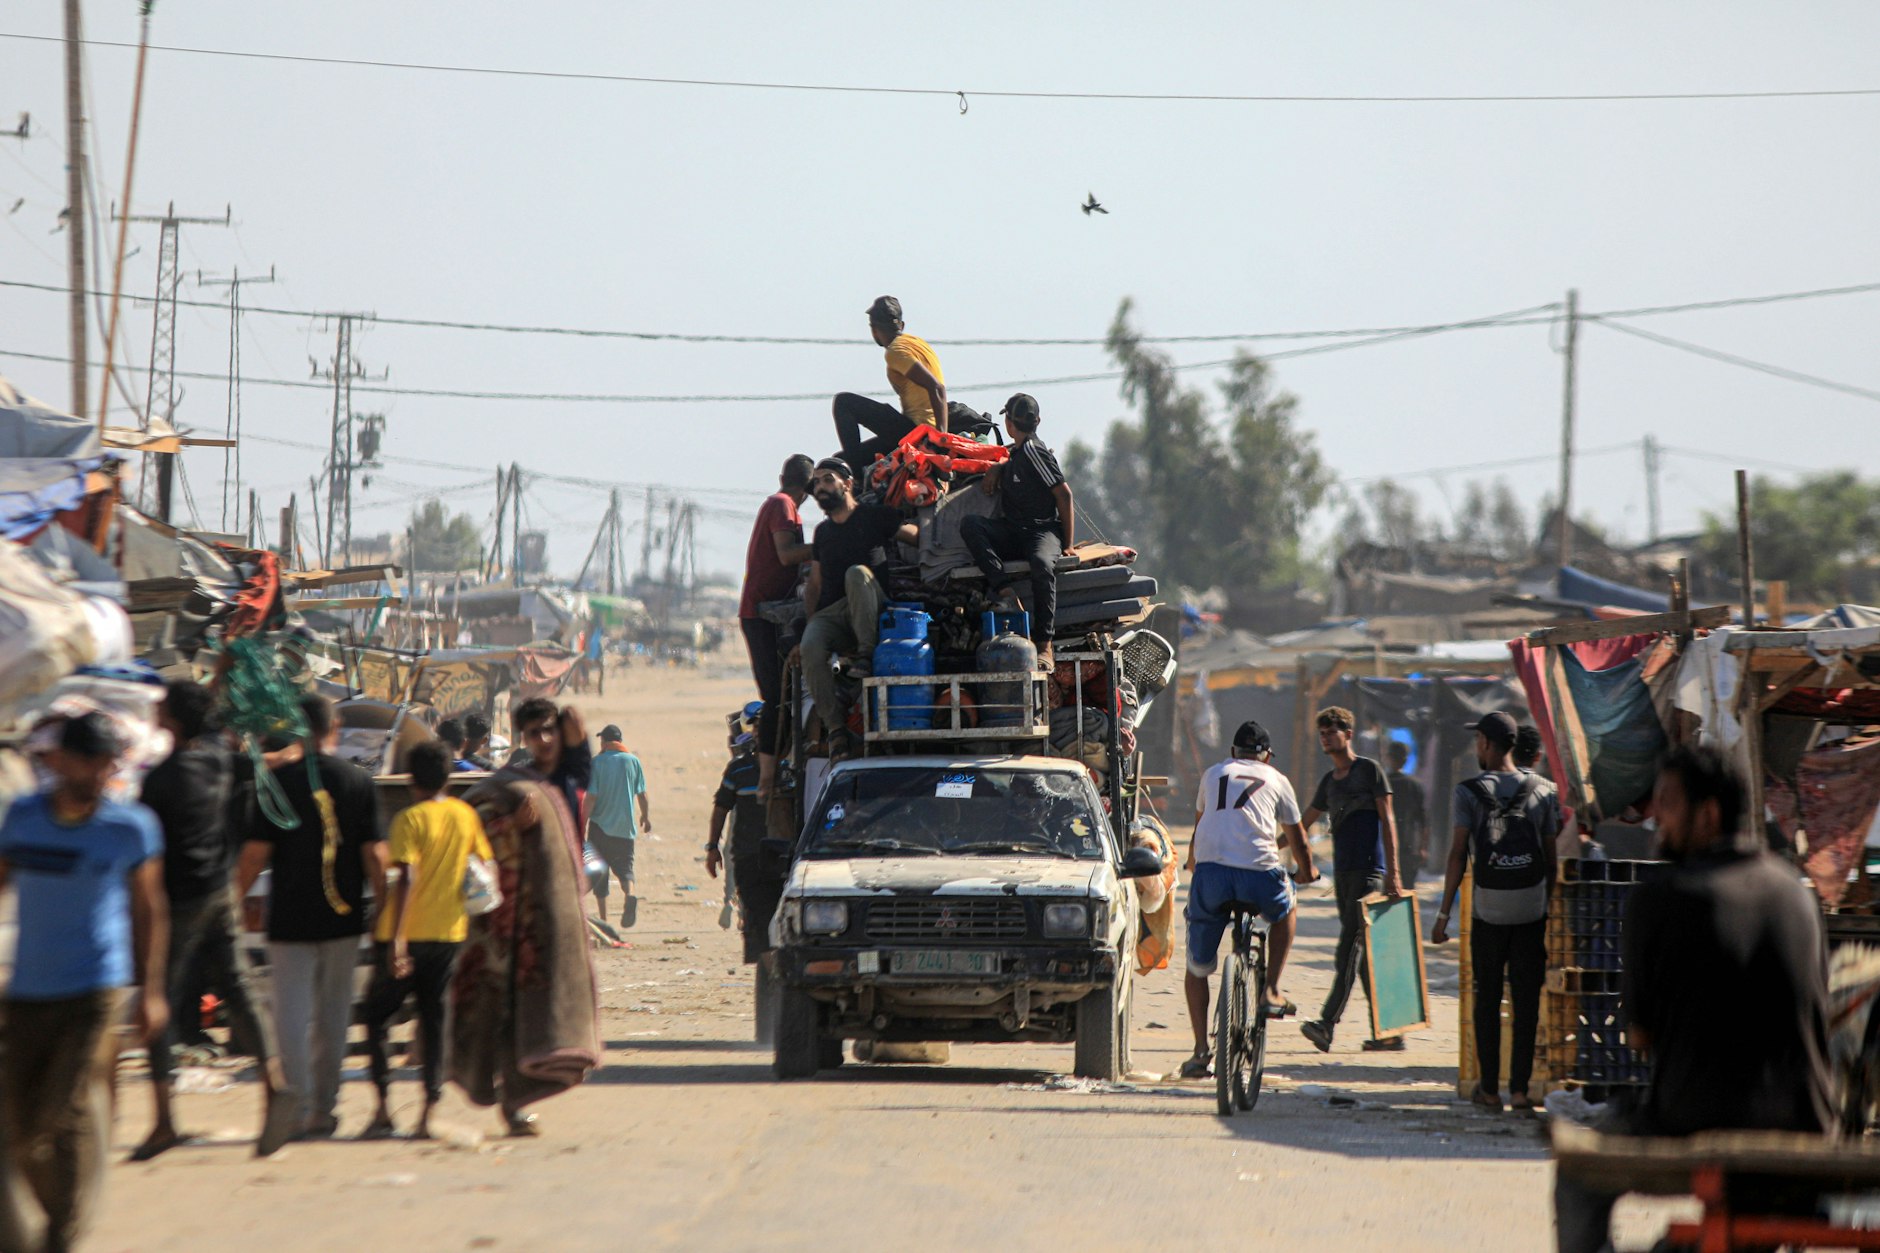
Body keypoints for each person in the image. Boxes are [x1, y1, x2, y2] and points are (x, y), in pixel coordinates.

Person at [1554, 745, 1834, 1253]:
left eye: (1668, 803)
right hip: (1808, 1124)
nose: (1656, 818)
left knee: (1579, 1173)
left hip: (1697, 1121)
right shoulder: (1798, 894)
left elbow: (1640, 1037)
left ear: (1708, 814)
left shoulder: (1660, 897)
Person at [0, 714, 166, 1252]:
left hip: (94, 988)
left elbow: (150, 909)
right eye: (87, 762)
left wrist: (151, 992)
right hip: (29, 989)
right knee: (22, 1126)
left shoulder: (130, 827)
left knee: (61, 1111)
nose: (97, 774)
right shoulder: (24, 819)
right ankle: (48, 1224)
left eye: (105, 764)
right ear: (59, 761)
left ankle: (60, 1237)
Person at [135, 679, 291, 1162]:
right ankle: (275, 1082)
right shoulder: (221, 760)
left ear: (172, 721)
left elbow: (147, 852)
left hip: (178, 899)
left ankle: (164, 1120)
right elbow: (265, 762)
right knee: (239, 988)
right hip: (221, 892)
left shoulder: (159, 780)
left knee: (158, 999)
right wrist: (295, 749)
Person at [235, 694, 386, 1140]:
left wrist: (231, 903)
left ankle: (298, 1107)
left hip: (290, 920)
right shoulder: (358, 781)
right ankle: (324, 1109)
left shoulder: (278, 782)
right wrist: (383, 908)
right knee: (334, 1016)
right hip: (343, 920)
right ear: (335, 727)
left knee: (291, 1017)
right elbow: (376, 856)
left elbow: (254, 855)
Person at [451, 777, 601, 1137]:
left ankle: (513, 1104)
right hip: (485, 934)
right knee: (484, 1018)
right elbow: (468, 851)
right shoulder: (483, 809)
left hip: (520, 932)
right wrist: (509, 826)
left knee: (515, 1019)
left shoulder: (547, 796)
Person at [360, 740, 493, 1140]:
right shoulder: (465, 815)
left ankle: (383, 1108)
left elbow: (406, 877)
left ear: (411, 779)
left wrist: (397, 942)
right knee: (434, 1022)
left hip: (404, 935)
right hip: (448, 935)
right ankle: (427, 1113)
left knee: (377, 1018)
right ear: (448, 777)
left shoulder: (409, 819)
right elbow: (484, 866)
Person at [1430, 711, 1558, 1112]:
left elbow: (1458, 855)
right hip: (1531, 911)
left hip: (1488, 912)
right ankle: (1519, 1090)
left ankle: (1489, 1090)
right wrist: (1547, 910)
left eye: (1477, 741)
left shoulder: (1467, 793)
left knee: (1486, 1000)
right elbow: (1551, 859)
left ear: (1485, 743)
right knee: (1526, 1003)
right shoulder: (1545, 790)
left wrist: (1443, 915)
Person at [1179, 720, 1318, 1079]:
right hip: (1258, 875)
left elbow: (1200, 826)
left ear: (1233, 753)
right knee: (1287, 906)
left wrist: (1194, 864)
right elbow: (1299, 841)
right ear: (1267, 756)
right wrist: (1307, 872)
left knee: (1196, 968)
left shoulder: (1213, 774)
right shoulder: (1278, 780)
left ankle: (1200, 1052)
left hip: (1211, 876)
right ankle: (1270, 990)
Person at [1298, 706, 1405, 1053]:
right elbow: (1302, 825)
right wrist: (1269, 846)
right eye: (1322, 732)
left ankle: (1327, 1023)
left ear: (1348, 734)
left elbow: (1388, 821)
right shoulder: (1329, 782)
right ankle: (1390, 1032)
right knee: (1361, 958)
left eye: (1332, 731)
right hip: (1343, 876)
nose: (1326, 737)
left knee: (1348, 949)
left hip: (1370, 874)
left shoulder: (1369, 771)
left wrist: (1393, 874)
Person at [798, 458, 919, 757]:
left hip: (871, 603)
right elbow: (815, 584)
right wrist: (812, 626)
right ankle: (836, 729)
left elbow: (916, 536)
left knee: (856, 574)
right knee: (810, 647)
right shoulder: (822, 533)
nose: (821, 487)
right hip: (834, 613)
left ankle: (866, 654)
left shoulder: (874, 517)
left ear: (848, 484)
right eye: (817, 483)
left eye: (828, 479)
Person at [962, 393, 1076, 667]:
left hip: (1041, 531)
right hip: (1014, 531)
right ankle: (1006, 592)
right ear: (1037, 421)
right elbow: (1012, 456)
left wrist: (1068, 544)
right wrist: (999, 467)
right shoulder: (1019, 451)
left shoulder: (1035, 451)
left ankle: (1045, 644)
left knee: (1041, 564)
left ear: (1010, 424)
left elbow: (1064, 495)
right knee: (972, 525)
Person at [741, 454, 815, 798]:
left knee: (784, 694)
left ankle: (780, 765)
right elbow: (786, 555)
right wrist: (827, 544)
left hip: (770, 613)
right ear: (809, 488)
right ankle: (767, 779)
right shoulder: (782, 504)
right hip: (761, 615)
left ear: (782, 476)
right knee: (775, 697)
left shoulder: (782, 504)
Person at [831, 295, 948, 479]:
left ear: (874, 329)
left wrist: (941, 438)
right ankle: (857, 473)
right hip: (916, 430)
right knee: (840, 460)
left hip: (917, 431)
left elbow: (936, 387)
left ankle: (857, 476)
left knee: (843, 402)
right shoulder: (918, 343)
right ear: (902, 325)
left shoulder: (895, 351)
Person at [705, 719, 775, 966]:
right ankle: (762, 967)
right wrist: (712, 847)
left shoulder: (789, 768)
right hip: (747, 854)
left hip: (782, 857)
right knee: (754, 914)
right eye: (755, 729)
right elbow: (721, 809)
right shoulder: (738, 769)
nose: (758, 734)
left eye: (762, 729)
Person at [586, 723, 651, 927]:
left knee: (599, 872)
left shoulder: (597, 763)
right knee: (625, 870)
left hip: (599, 826)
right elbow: (642, 794)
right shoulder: (633, 761)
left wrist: (581, 821)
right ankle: (630, 895)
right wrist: (645, 817)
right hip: (625, 828)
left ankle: (604, 919)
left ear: (604, 742)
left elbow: (591, 797)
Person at [510, 697, 592, 831]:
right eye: (534, 733)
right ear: (525, 739)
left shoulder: (574, 774)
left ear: (560, 732)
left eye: (548, 729)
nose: (543, 739)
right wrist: (515, 823)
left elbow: (571, 716)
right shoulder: (519, 782)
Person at [1385, 741, 1427, 887]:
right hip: (1409, 845)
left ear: (1388, 758)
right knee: (1407, 888)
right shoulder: (1414, 785)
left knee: (1386, 889)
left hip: (1385, 845)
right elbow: (1423, 821)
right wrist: (1422, 847)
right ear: (1406, 759)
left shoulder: (1382, 783)